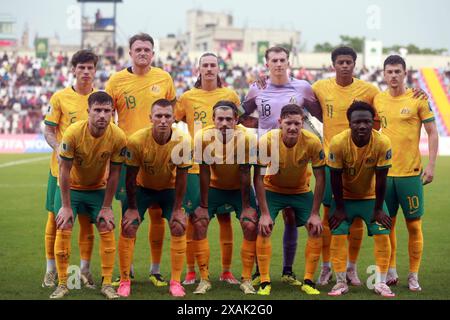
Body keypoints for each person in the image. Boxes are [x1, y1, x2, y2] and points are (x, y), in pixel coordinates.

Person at [311, 46, 427, 286]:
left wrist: (418, 92)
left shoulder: (370, 90)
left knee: (356, 222)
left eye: (349, 62)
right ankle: (326, 268)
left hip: (361, 164)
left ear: (355, 64)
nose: (344, 65)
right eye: (340, 62)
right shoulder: (319, 87)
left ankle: (351, 269)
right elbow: (298, 95)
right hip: (332, 163)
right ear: (333, 64)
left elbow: (388, 103)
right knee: (328, 219)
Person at [240, 46, 320, 287]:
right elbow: (241, 115)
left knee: (291, 216)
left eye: (282, 59)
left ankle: (287, 271)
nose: (278, 64)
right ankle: (258, 272)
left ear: (288, 62)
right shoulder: (258, 88)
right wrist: (262, 128)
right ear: (266, 63)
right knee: (260, 218)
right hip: (267, 157)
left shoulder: (303, 87)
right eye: (273, 60)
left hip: (295, 157)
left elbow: (320, 115)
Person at [106, 33, 176, 286]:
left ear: (153, 53)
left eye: (147, 49)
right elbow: (107, 116)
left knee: (158, 214)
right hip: (128, 155)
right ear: (130, 52)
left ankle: (155, 270)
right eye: (138, 49)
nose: (143, 53)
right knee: (129, 213)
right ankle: (127, 269)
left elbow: (171, 113)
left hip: (159, 153)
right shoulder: (116, 80)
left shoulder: (164, 78)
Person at [49, 91, 126, 299]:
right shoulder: (73, 132)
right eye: (97, 110)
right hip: (71, 189)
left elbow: (115, 173)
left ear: (112, 113)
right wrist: (65, 206)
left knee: (106, 224)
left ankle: (107, 283)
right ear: (88, 112)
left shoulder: (118, 136)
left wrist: (107, 206)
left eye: (107, 111)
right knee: (63, 225)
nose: (102, 115)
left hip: (97, 189)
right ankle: (63, 283)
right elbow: (64, 171)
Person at [175, 52, 241, 286]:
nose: (210, 69)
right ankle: (192, 272)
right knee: (194, 221)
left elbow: (239, 123)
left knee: (225, 219)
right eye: (205, 65)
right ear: (199, 69)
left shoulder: (230, 95)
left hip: (224, 166)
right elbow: (172, 120)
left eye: (213, 65)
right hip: (196, 167)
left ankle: (226, 271)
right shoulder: (188, 97)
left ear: (218, 69)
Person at [374, 55, 438, 291]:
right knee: (385, 225)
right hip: (384, 175)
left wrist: (430, 165)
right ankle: (390, 270)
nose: (393, 76)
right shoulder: (377, 99)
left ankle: (413, 275)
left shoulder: (418, 99)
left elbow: (432, 132)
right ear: (383, 74)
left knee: (414, 226)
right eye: (389, 71)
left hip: (410, 174)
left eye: (397, 71)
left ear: (405, 73)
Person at [117, 99, 192, 297]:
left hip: (168, 190)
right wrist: (132, 208)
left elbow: (182, 178)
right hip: (142, 189)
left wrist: (177, 209)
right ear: (150, 118)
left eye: (167, 116)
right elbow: (130, 179)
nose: (163, 120)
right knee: (129, 224)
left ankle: (175, 281)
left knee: (178, 225)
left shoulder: (182, 140)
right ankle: (125, 280)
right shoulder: (136, 140)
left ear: (173, 118)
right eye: (158, 116)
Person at [254, 104, 326, 295]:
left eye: (297, 123)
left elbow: (320, 178)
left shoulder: (312, 142)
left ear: (302, 124)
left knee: (316, 228)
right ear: (280, 123)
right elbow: (258, 178)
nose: (293, 127)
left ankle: (309, 281)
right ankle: (264, 281)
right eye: (288, 123)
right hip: (272, 189)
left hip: (300, 191)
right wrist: (264, 213)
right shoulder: (267, 141)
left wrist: (315, 213)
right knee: (264, 227)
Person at [327, 101, 394, 297]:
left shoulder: (382, 142)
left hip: (371, 197)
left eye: (366, 121)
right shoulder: (338, 142)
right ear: (349, 123)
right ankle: (340, 282)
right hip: (344, 198)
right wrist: (339, 208)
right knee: (337, 233)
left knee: (383, 233)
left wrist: (379, 209)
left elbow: (382, 179)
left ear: (373, 122)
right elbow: (334, 177)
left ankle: (380, 283)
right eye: (357, 122)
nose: (362, 126)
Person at [42, 50, 98, 289]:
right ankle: (51, 271)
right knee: (56, 219)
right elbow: (49, 130)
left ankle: (84, 270)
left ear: (95, 70)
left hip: (91, 173)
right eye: (81, 67)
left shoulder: (102, 98)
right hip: (61, 172)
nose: (86, 72)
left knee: (87, 221)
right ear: (74, 69)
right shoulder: (59, 98)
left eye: (90, 68)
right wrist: (59, 149)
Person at [191, 100, 259, 295]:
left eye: (229, 119)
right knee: (200, 221)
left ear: (236, 120)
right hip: (214, 186)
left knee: (250, 223)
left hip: (239, 188)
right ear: (213, 120)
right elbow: (203, 172)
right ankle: (204, 279)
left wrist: (246, 206)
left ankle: (246, 279)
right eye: (220, 119)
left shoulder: (247, 137)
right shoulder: (203, 136)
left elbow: (246, 172)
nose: (224, 123)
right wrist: (203, 205)